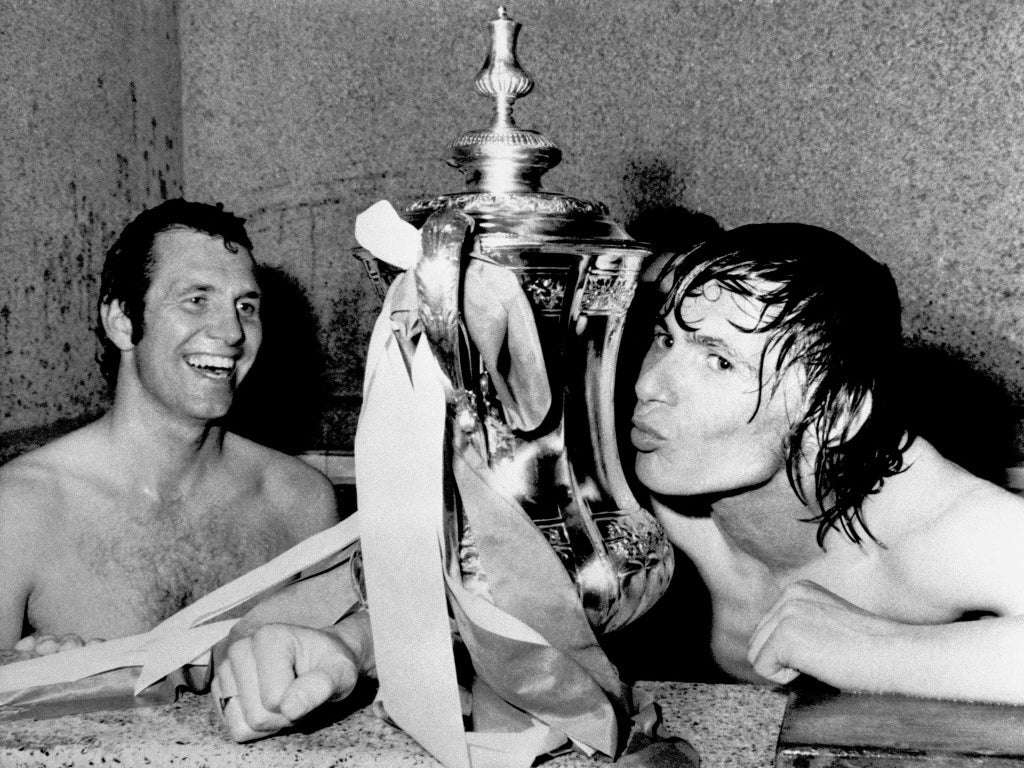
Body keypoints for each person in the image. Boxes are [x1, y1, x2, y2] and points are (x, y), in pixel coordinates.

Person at [212, 221, 1024, 742]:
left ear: (838, 408)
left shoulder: (934, 520)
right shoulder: (664, 485)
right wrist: (344, 648)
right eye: (668, 340)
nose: (653, 384)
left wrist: (878, 650)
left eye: (718, 360)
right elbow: (507, 578)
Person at [0, 199, 338, 653]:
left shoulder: (301, 502)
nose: (233, 332)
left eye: (246, 306)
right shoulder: (20, 510)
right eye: (196, 300)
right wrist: (36, 688)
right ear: (121, 323)